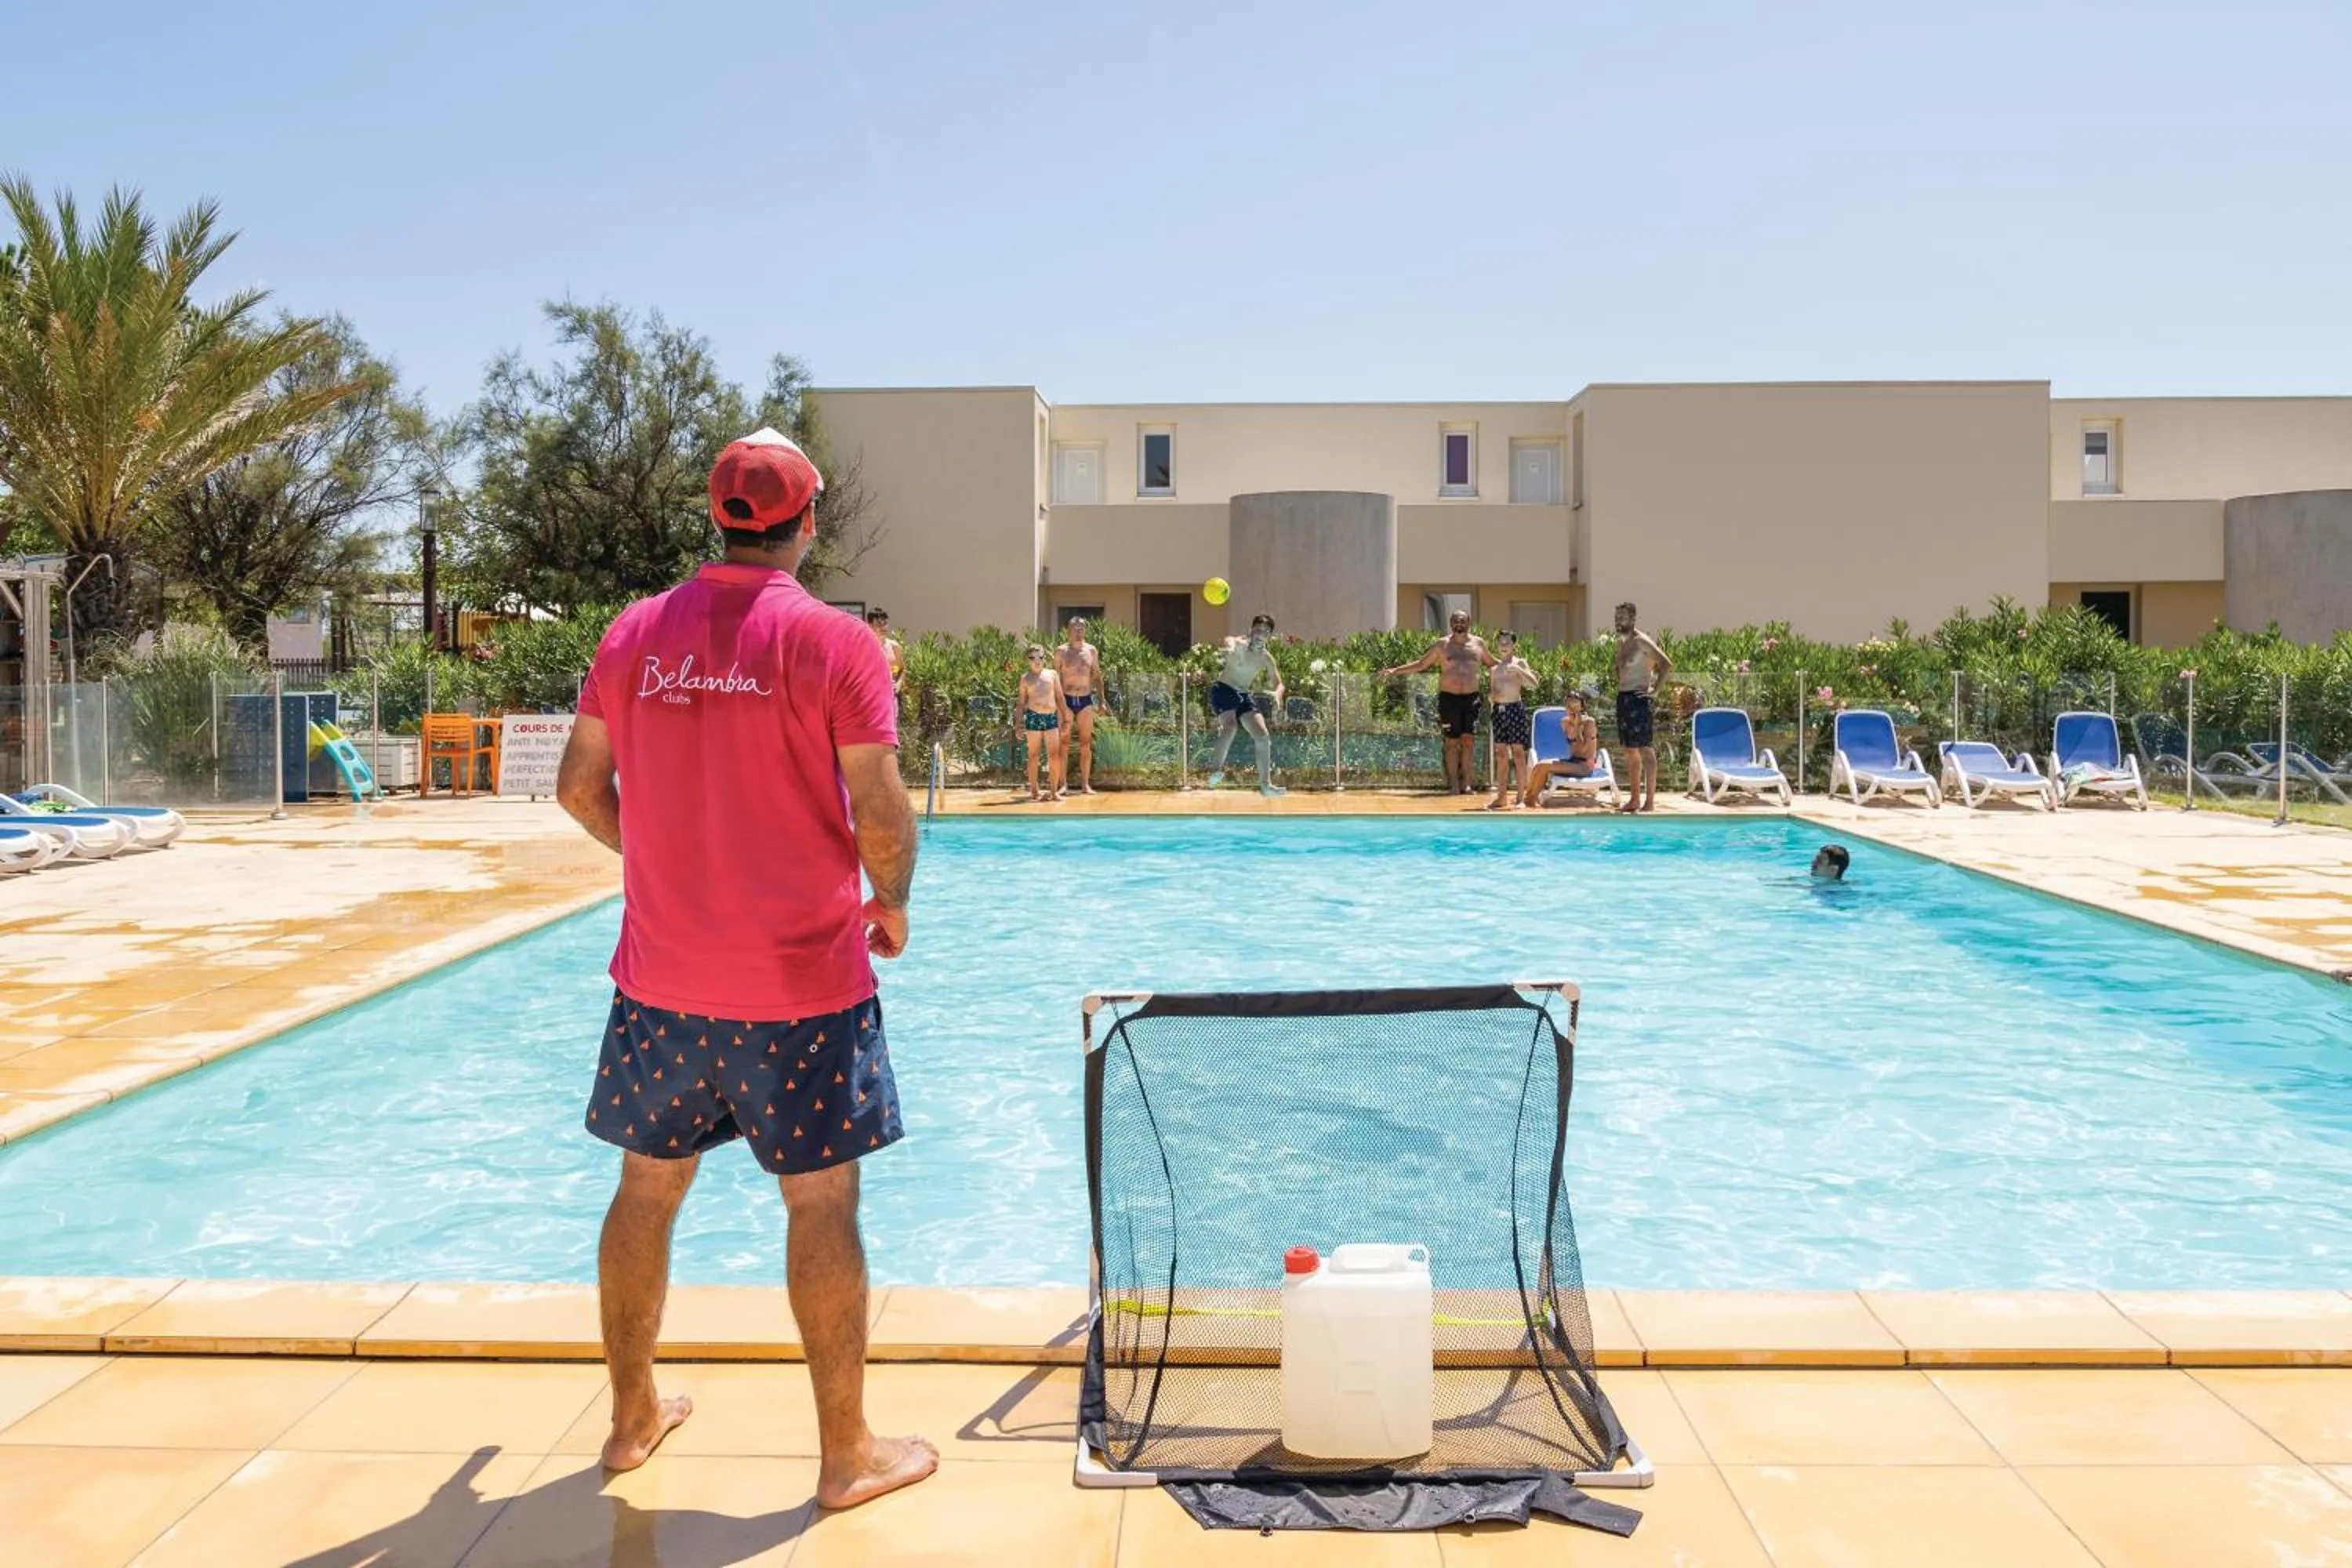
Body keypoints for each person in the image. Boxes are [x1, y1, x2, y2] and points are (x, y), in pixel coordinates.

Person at [554, 426, 935, 1510]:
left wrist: (667, 862)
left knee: (646, 1192)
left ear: (718, 518)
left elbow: (581, 790)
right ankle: (846, 1454)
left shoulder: (632, 634)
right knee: (819, 1207)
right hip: (802, 991)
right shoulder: (833, 643)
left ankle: (633, 1420)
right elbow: (877, 806)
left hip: (660, 983)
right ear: (807, 522)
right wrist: (894, 898)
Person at [1381, 611, 1497, 795]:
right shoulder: (1442, 645)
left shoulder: (1479, 644)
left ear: (1469, 622)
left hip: (1472, 698)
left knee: (1468, 741)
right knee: (1451, 742)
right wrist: (1395, 671)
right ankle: (1453, 784)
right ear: (1451, 623)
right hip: (1449, 698)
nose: (1459, 624)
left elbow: (1493, 664)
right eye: (1455, 621)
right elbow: (1421, 664)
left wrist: (1518, 668)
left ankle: (1466, 783)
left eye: (1463, 620)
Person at [1206, 614, 1287, 797]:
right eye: (1257, 630)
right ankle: (1215, 772)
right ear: (1251, 630)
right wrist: (1231, 647)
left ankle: (1266, 785)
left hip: (1243, 694)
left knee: (1263, 736)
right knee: (1230, 727)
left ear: (1270, 636)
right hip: (1224, 689)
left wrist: (1277, 694)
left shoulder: (1266, 658)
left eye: (1265, 632)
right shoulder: (1240, 645)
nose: (1260, 634)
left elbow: (1279, 683)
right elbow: (1229, 639)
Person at [1612, 602, 1673, 815]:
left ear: (1634, 619)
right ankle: (1635, 799)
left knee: (1645, 749)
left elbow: (1666, 664)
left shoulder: (1642, 642)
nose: (1619, 621)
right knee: (1630, 751)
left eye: (1623, 617)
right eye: (1617, 617)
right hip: (1624, 699)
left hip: (1639, 700)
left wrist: (1655, 692)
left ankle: (1650, 801)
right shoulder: (1622, 643)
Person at [1523, 685, 1603, 806]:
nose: (1572, 709)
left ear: (1582, 707)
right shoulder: (1565, 722)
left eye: (1575, 706)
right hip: (1572, 761)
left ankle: (1530, 800)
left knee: (1544, 766)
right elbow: (1573, 744)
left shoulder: (1590, 722)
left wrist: (1577, 725)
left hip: (1585, 766)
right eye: (1569, 706)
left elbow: (1582, 749)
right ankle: (1529, 798)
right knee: (1540, 765)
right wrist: (1574, 724)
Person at [1485, 630, 1537, 809]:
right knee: (1500, 755)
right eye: (1501, 643)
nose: (1504, 646)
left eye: (1507, 642)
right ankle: (1501, 797)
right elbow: (1492, 692)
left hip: (1515, 710)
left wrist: (1520, 670)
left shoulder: (1519, 663)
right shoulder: (1494, 669)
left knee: (1518, 754)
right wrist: (1491, 697)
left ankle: (1521, 797)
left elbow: (1534, 684)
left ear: (1514, 645)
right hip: (1499, 711)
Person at [1054, 616, 1103, 797]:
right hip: (1066, 700)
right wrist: (1056, 703)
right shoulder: (1061, 651)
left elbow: (1097, 676)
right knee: (1063, 743)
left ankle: (1085, 785)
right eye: (1075, 628)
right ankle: (1062, 784)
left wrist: (1102, 700)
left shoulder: (1091, 651)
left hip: (1085, 700)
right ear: (1069, 630)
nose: (1078, 631)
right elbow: (1055, 678)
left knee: (1085, 744)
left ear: (1086, 630)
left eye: (1081, 628)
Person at [1014, 645, 1064, 802]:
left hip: (1050, 717)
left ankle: (1054, 791)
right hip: (1034, 717)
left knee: (1054, 756)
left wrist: (1066, 719)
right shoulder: (1025, 678)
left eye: (1040, 657)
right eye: (1032, 658)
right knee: (1033, 755)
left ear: (1044, 658)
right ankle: (1035, 791)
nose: (1037, 661)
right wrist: (1018, 724)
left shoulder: (1052, 675)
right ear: (1027, 660)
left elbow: (1060, 698)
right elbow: (1021, 704)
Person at [866, 608, 905, 695]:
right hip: (871, 697)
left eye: (885, 623)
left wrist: (899, 684)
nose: (883, 627)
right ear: (870, 626)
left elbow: (902, 669)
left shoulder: (895, 647)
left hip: (891, 697)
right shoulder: (865, 648)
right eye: (879, 624)